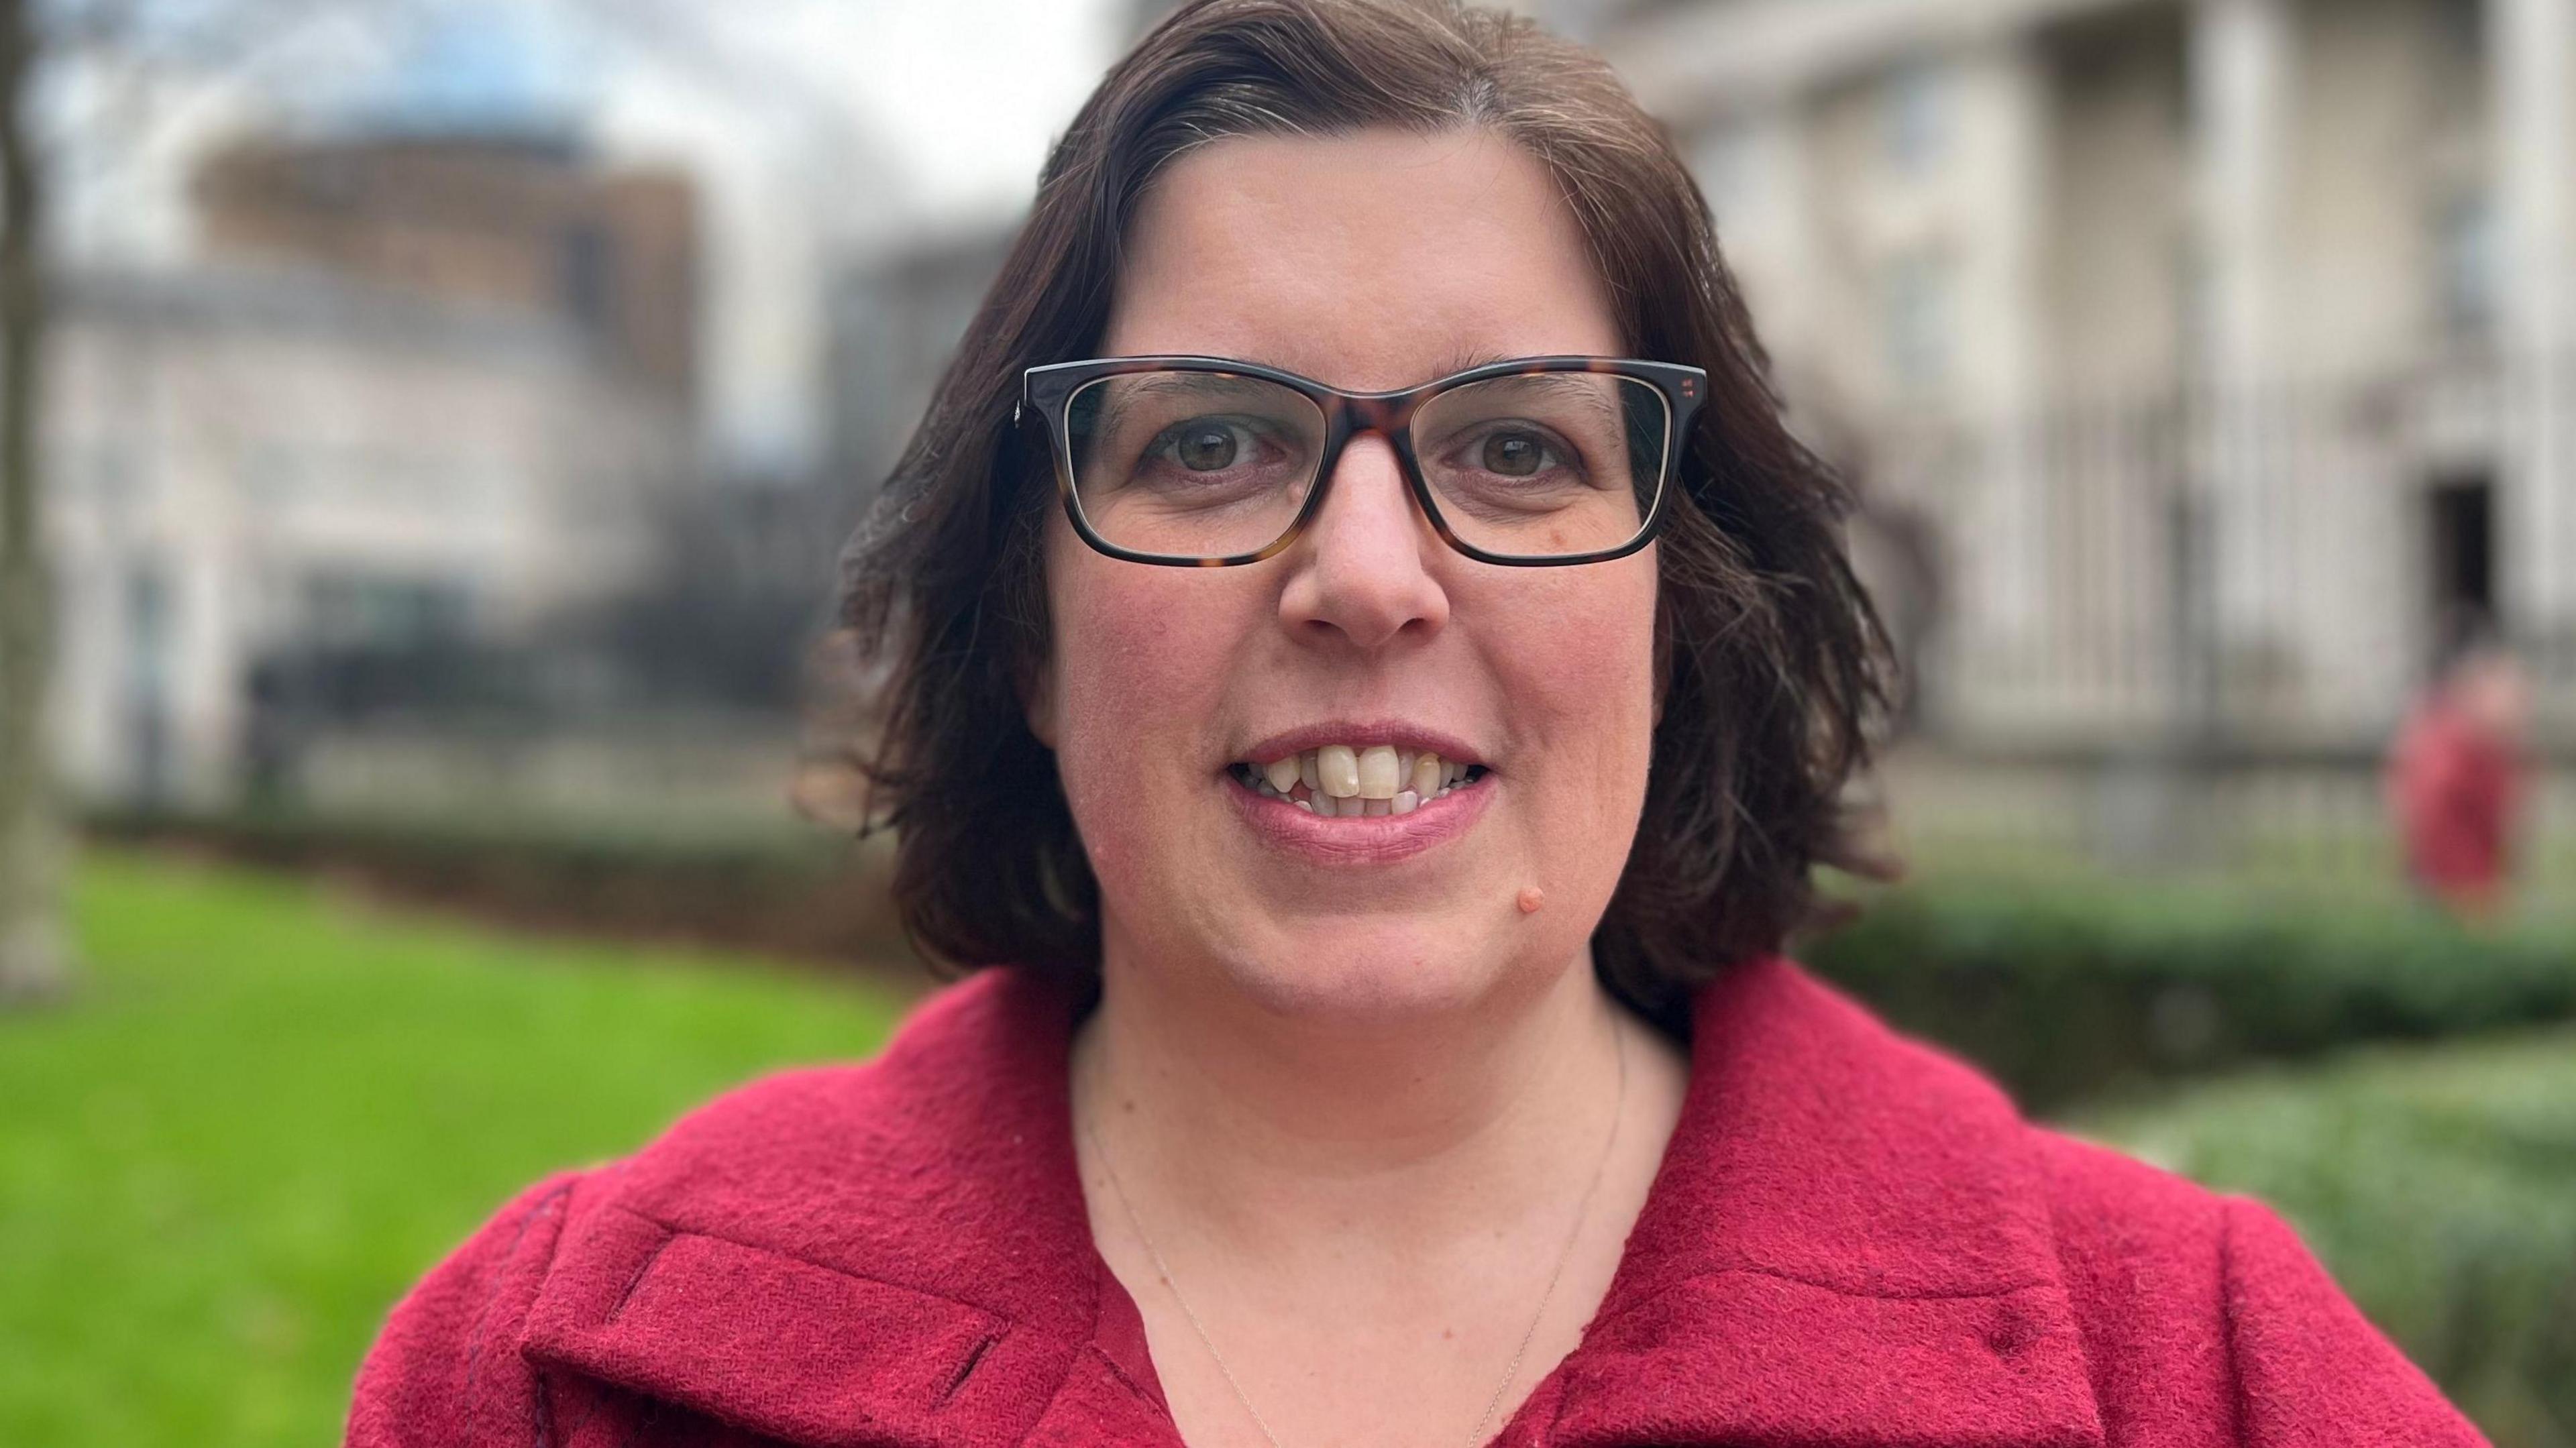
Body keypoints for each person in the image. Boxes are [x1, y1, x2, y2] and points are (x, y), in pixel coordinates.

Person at [345, 2, 2485, 1444]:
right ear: (1022, 623)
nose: (1366, 572)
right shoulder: (550, 1369)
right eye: (1204, 441)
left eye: (1520, 451)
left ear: (1682, 604)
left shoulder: (2185, 1367)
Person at [2387, 618, 2530, 920]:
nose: (2522, 703)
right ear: (2474, 691)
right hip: (2459, 912)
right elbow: (2442, 851)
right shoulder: (2450, 758)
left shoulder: (2486, 750)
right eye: (2509, 691)